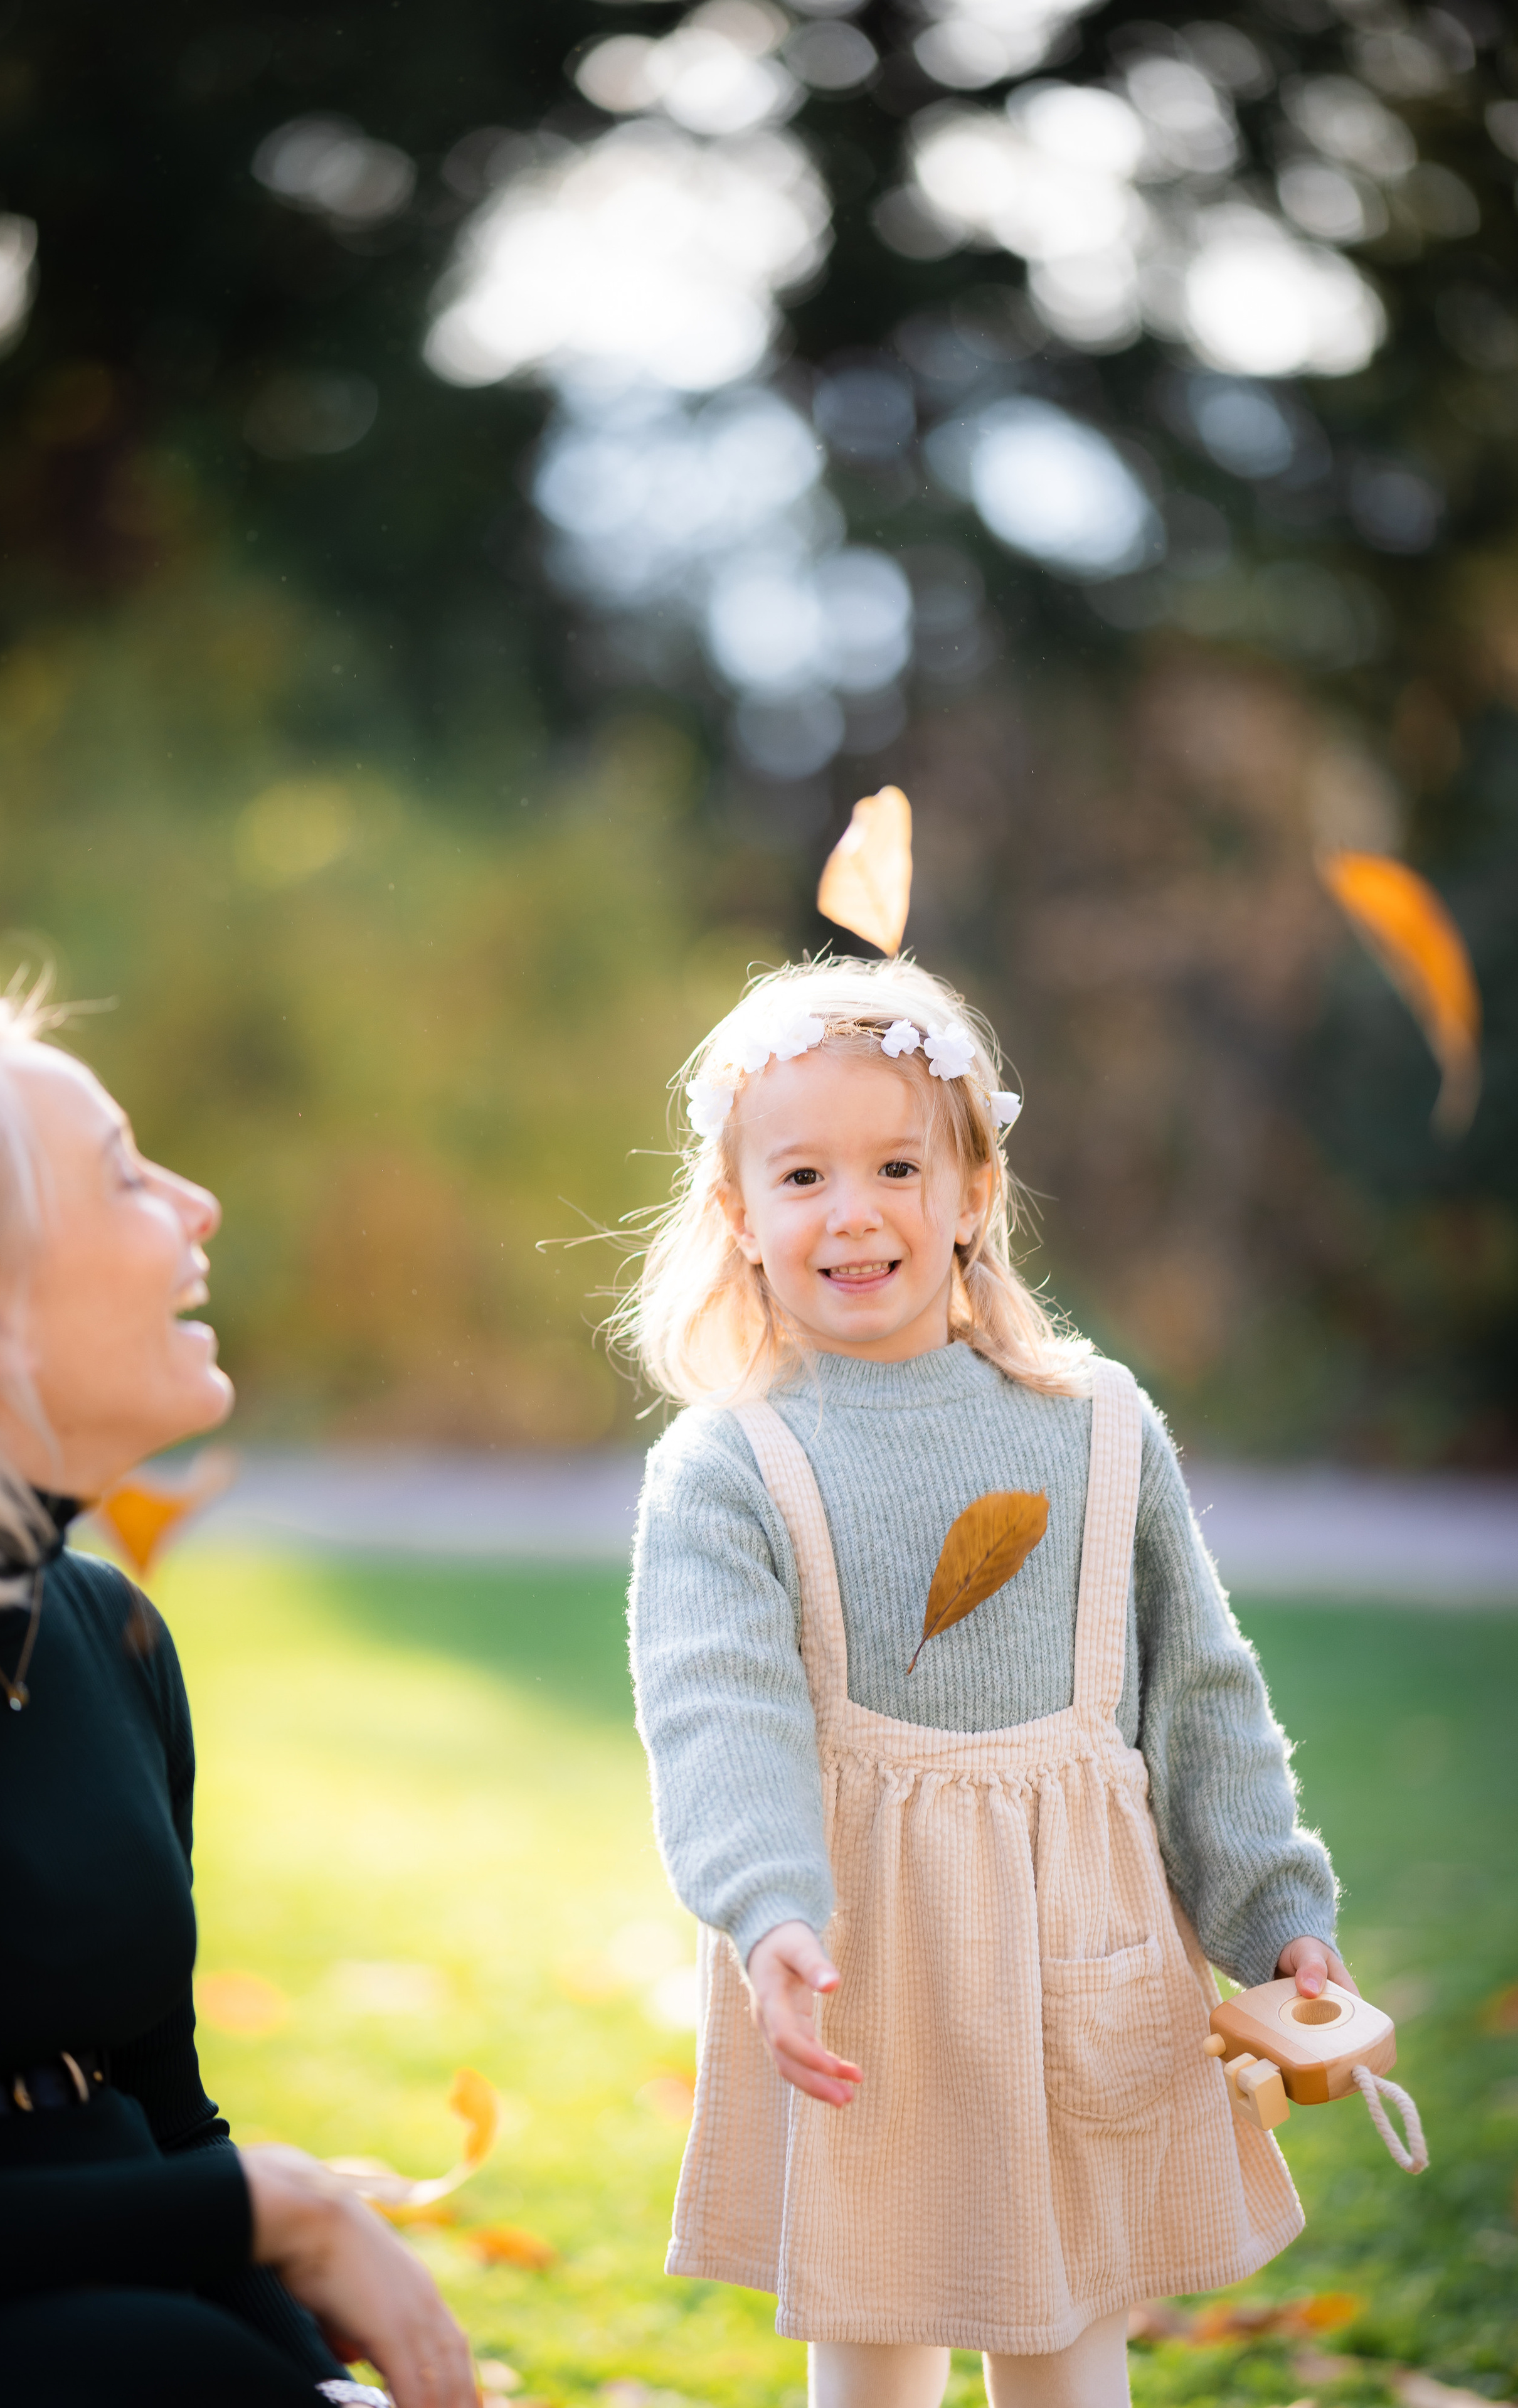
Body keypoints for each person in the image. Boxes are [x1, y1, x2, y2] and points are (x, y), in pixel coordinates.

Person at [624, 956, 1352, 2408]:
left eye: (898, 1162)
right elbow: (717, 1708)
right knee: (873, 2329)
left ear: (970, 1190)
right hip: (861, 1959)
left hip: (1076, 1938)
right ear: (740, 1216)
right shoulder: (730, 1461)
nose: (853, 1209)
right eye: (803, 1173)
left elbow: (1198, 1687)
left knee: (1064, 2323)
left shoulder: (1093, 1423)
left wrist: (1272, 1910)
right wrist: (769, 1910)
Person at [0, 979, 477, 2408]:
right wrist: (257, 2210)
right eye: (122, 1172)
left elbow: (159, 2112)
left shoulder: (109, 1633)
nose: (200, 1202)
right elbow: (208, 2193)